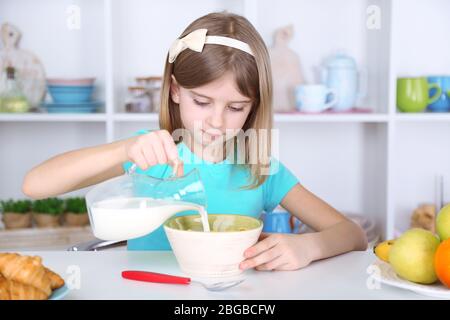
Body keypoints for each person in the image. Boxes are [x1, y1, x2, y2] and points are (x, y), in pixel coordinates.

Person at [22, 12, 367, 271]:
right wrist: (124, 149)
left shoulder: (260, 169)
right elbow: (35, 185)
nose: (216, 121)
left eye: (235, 107)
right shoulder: (151, 153)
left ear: (254, 107)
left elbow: (352, 234)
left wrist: (307, 247)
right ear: (174, 89)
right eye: (202, 102)